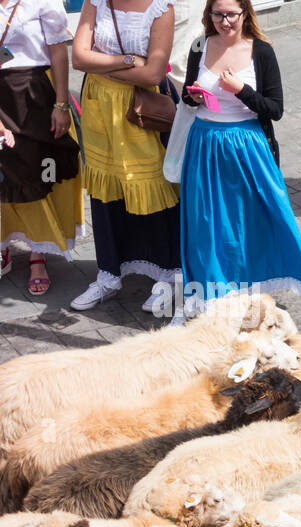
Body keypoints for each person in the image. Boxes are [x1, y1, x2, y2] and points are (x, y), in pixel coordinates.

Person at [176, 0, 301, 314]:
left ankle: (251, 285)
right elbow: (187, 91)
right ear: (208, 14)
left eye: (231, 15)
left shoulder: (261, 51)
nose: (224, 22)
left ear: (245, 14)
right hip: (205, 144)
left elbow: (275, 109)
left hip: (247, 146)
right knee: (206, 222)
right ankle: (213, 292)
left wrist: (240, 89)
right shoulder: (200, 45)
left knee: (252, 220)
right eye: (217, 14)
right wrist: (193, 94)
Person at [69, 0, 181, 313]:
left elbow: (153, 74)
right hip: (99, 109)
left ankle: (168, 275)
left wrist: (101, 65)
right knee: (107, 192)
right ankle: (108, 274)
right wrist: (128, 61)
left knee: (153, 188)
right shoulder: (96, 1)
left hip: (139, 110)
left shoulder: (161, 8)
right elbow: (78, 58)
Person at [0, 0, 82, 296]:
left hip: (34, 95)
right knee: (3, 176)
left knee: (37, 175)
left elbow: (59, 51)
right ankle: (3, 246)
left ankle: (38, 254)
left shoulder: (41, 1)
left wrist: (61, 104)